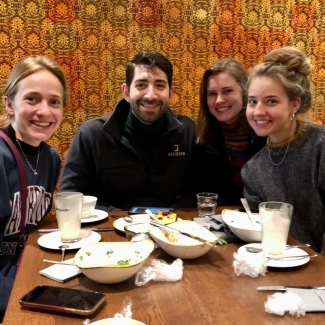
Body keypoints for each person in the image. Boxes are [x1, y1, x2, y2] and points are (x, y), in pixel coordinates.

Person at [59, 52, 196, 211]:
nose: (150, 95)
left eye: (159, 85)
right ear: (126, 92)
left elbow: (199, 190)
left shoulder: (187, 131)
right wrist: (125, 219)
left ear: (170, 93)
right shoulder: (91, 135)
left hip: (171, 229)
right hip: (112, 229)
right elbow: (71, 196)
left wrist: (168, 217)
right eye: (141, 85)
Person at [0, 56, 69, 318]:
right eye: (32, 99)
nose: (44, 111)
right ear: (9, 104)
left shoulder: (50, 158)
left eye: (54, 102)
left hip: (27, 271)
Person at [241, 46, 325, 252]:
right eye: (252, 102)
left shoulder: (320, 146)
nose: (258, 111)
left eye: (271, 101)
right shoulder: (253, 170)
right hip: (282, 266)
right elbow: (256, 230)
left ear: (295, 104)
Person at [195, 58, 266, 205]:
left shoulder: (266, 133)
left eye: (227, 91)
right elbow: (205, 192)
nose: (219, 100)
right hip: (221, 219)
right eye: (212, 93)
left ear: (245, 92)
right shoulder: (203, 138)